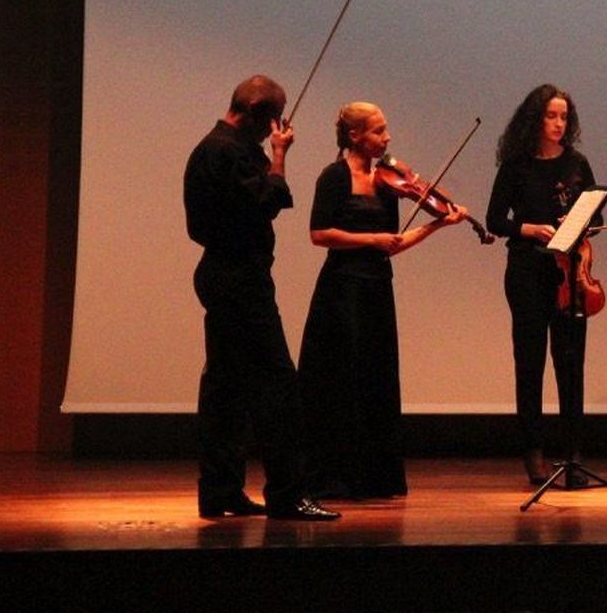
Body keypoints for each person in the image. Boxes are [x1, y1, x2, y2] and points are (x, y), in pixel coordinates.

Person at [182, 75, 339, 520]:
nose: (274, 128)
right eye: (271, 119)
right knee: (278, 387)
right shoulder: (227, 151)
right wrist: (280, 155)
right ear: (254, 114)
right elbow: (268, 201)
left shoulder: (213, 147)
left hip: (222, 273)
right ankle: (288, 494)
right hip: (240, 278)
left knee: (226, 388)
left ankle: (220, 491)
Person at [297, 101, 469, 499]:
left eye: (386, 129)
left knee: (375, 380)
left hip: (376, 289)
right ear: (355, 136)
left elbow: (392, 244)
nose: (387, 137)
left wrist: (438, 222)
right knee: (338, 381)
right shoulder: (334, 177)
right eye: (378, 131)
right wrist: (368, 240)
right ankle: (331, 477)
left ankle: (372, 477)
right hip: (340, 290)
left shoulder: (387, 182)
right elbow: (319, 234)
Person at [486, 83, 601, 487]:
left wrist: (583, 229)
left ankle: (573, 455)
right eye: (551, 116)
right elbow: (495, 220)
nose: (558, 123)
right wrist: (529, 228)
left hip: (570, 274)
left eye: (564, 117)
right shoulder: (516, 165)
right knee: (530, 363)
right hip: (528, 272)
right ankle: (533, 453)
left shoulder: (577, 164)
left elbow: (597, 220)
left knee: (571, 366)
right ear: (535, 119)